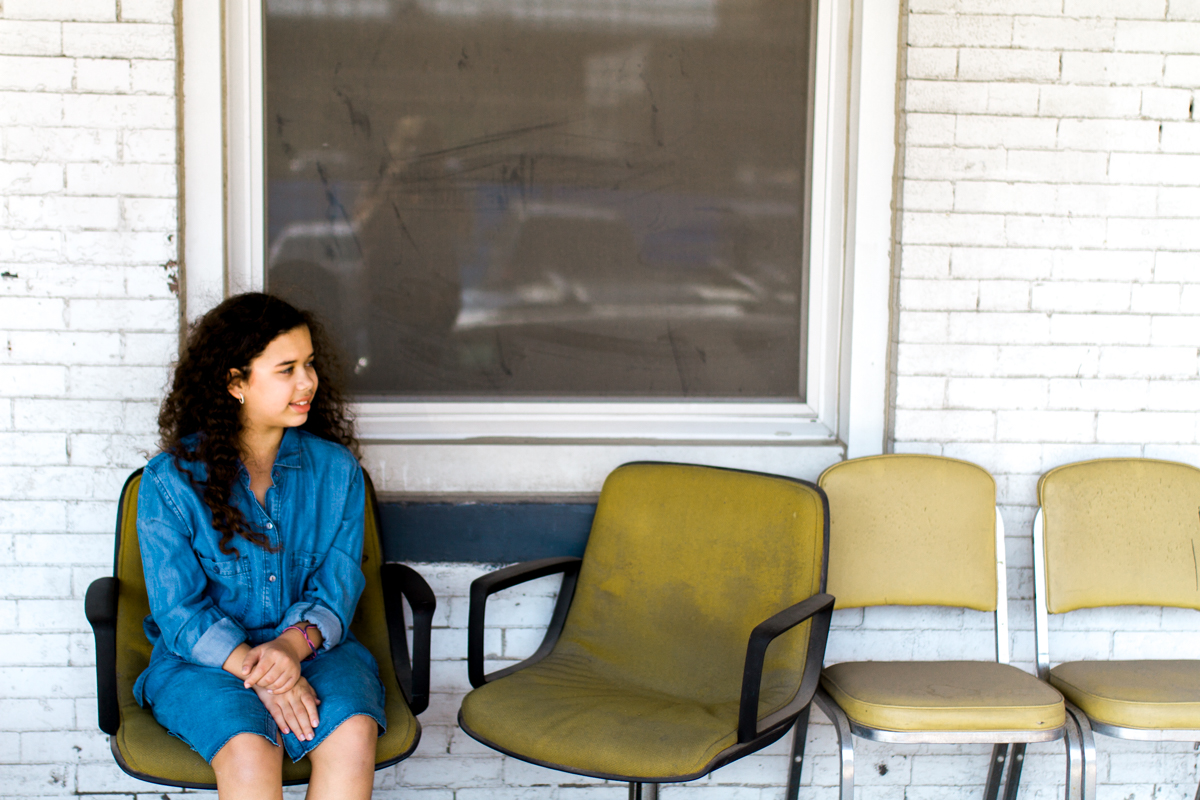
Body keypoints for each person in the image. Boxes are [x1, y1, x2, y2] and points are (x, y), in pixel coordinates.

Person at [133, 293, 382, 799]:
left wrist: (291, 649)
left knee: (352, 735)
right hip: (204, 662)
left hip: (315, 650)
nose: (307, 381)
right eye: (286, 369)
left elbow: (337, 585)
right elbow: (179, 612)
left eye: (309, 364)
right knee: (250, 750)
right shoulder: (170, 482)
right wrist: (268, 672)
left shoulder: (337, 472)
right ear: (235, 383)